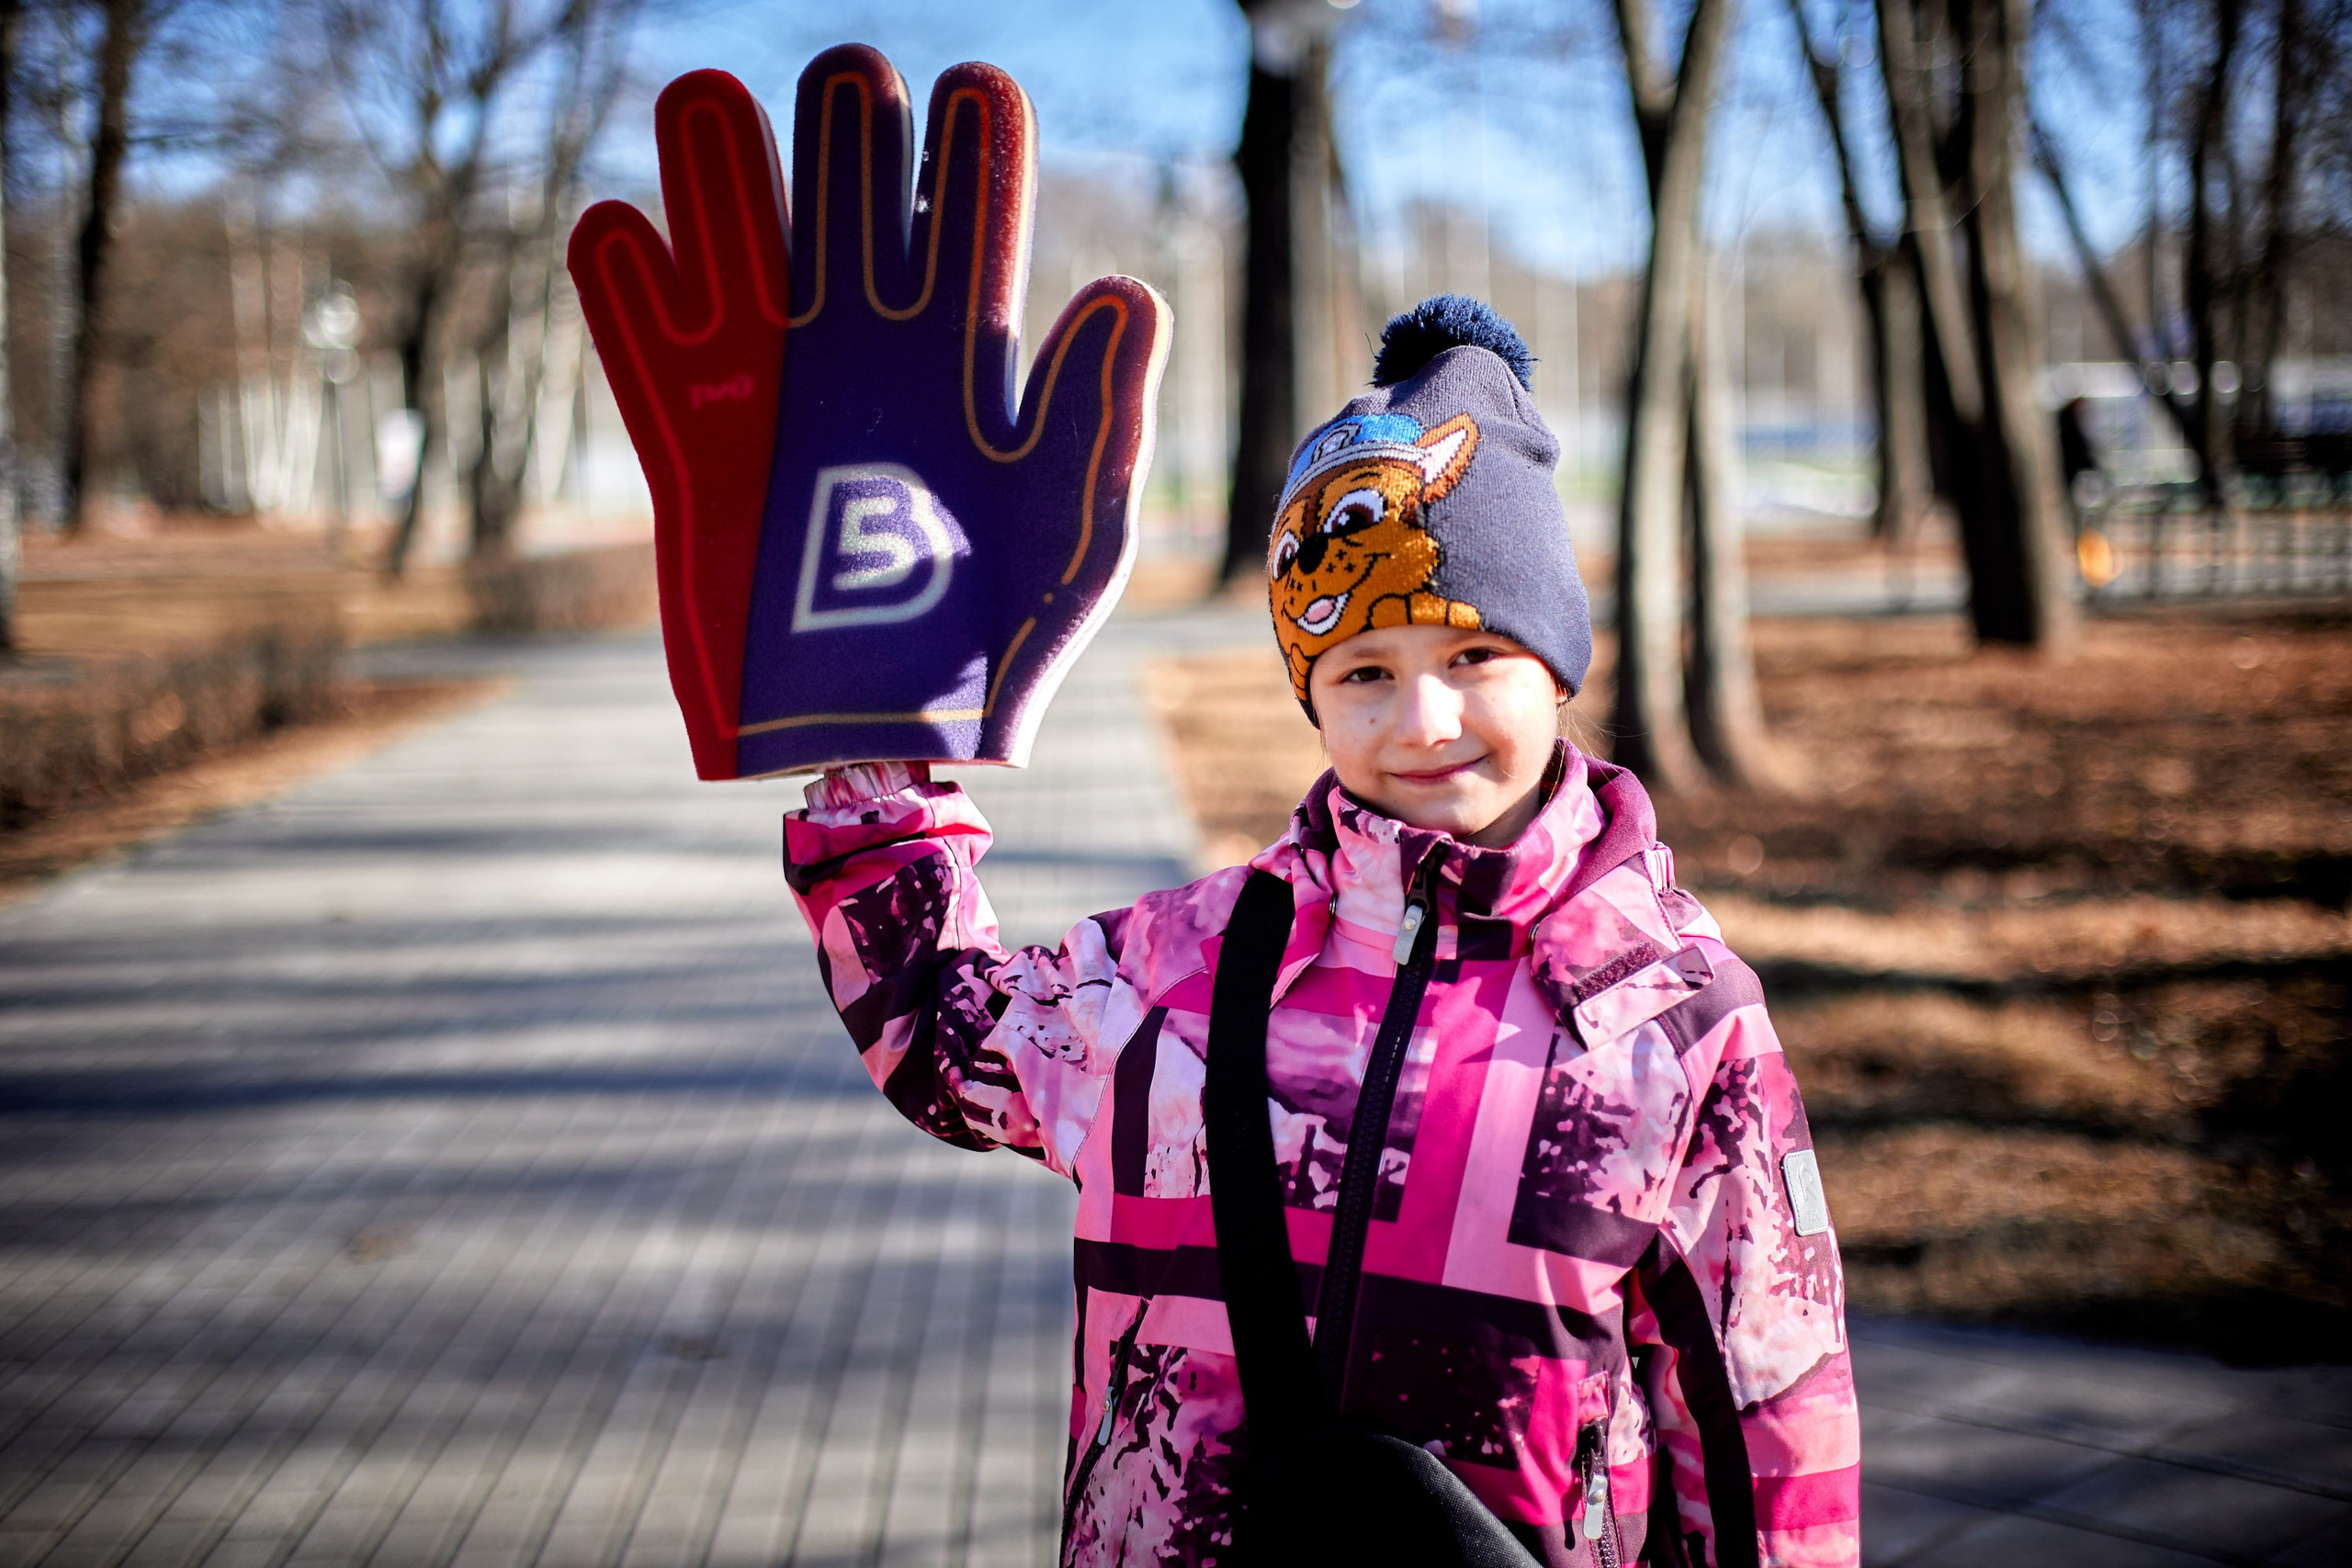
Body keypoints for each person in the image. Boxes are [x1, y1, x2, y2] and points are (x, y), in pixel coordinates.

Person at [784, 298, 1860, 1568]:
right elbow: (946, 1037)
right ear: (1313, 694)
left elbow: (1769, 1423)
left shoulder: (1677, 1022)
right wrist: (870, 750)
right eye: (1363, 673)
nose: (1422, 721)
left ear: (1558, 666)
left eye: (1473, 655)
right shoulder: (1173, 974)